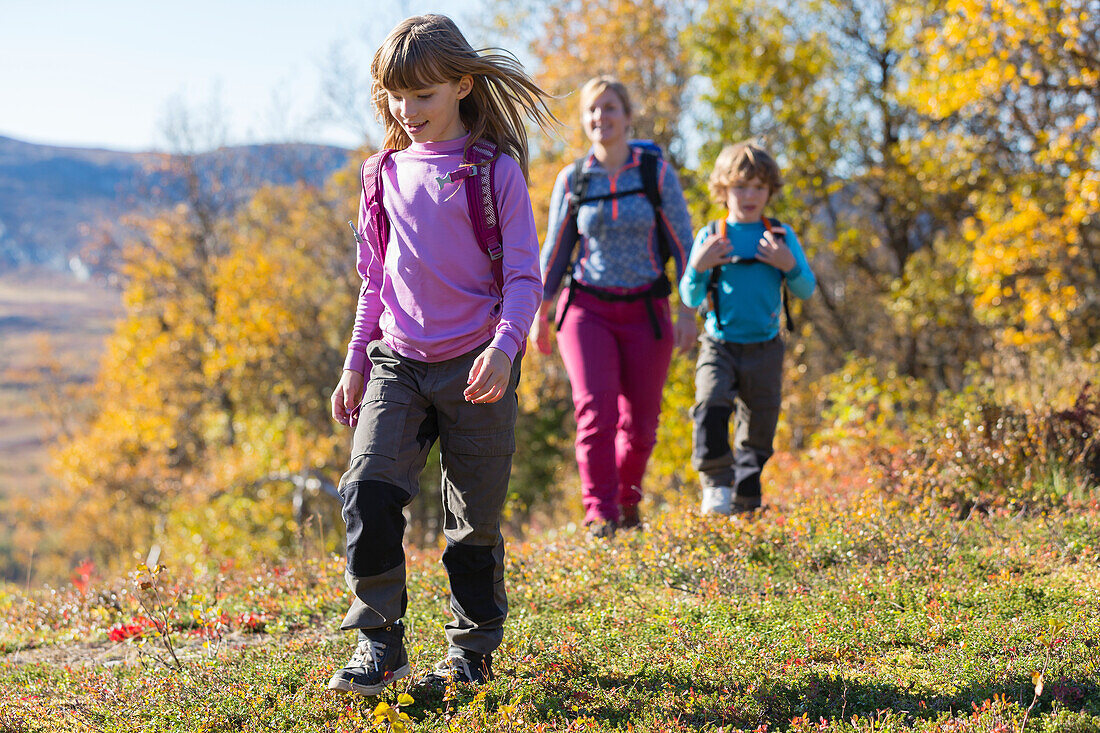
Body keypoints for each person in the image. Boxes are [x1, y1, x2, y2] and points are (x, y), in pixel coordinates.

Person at [326, 14, 554, 696]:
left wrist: (505, 348)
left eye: (422, 95)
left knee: (472, 526)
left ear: (461, 84)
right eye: (397, 95)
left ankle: (470, 653)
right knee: (367, 490)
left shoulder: (496, 173)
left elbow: (523, 277)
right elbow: (376, 280)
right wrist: (353, 363)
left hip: (476, 366)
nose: (406, 110)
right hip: (397, 362)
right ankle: (380, 645)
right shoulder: (381, 175)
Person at [532, 77, 696, 538]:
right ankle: (600, 514)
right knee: (595, 413)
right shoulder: (573, 178)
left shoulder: (655, 174)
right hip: (586, 310)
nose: (600, 118)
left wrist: (688, 310)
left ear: (627, 115)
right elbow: (555, 249)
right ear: (585, 120)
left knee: (642, 425)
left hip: (647, 309)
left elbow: (684, 244)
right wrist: (538, 314)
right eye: (592, 111)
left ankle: (627, 502)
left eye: (609, 108)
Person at [679, 141, 816, 515]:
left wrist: (789, 264)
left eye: (758, 187)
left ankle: (747, 495)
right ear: (723, 190)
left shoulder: (780, 237)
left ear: (770, 190)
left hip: (766, 347)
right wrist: (699, 266)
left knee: (760, 422)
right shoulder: (712, 235)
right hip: (719, 343)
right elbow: (689, 297)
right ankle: (716, 483)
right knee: (709, 405)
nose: (750, 195)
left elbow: (805, 289)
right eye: (740, 186)